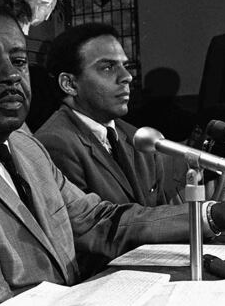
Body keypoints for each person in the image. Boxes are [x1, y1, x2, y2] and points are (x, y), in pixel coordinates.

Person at [0, 0, 225, 306]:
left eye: (18, 61)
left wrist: (216, 215)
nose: (11, 76)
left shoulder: (23, 145)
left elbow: (100, 221)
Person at [35, 23, 180, 207]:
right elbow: (93, 228)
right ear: (69, 84)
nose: (127, 76)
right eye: (108, 67)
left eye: (125, 65)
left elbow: (162, 216)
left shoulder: (139, 138)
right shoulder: (54, 144)